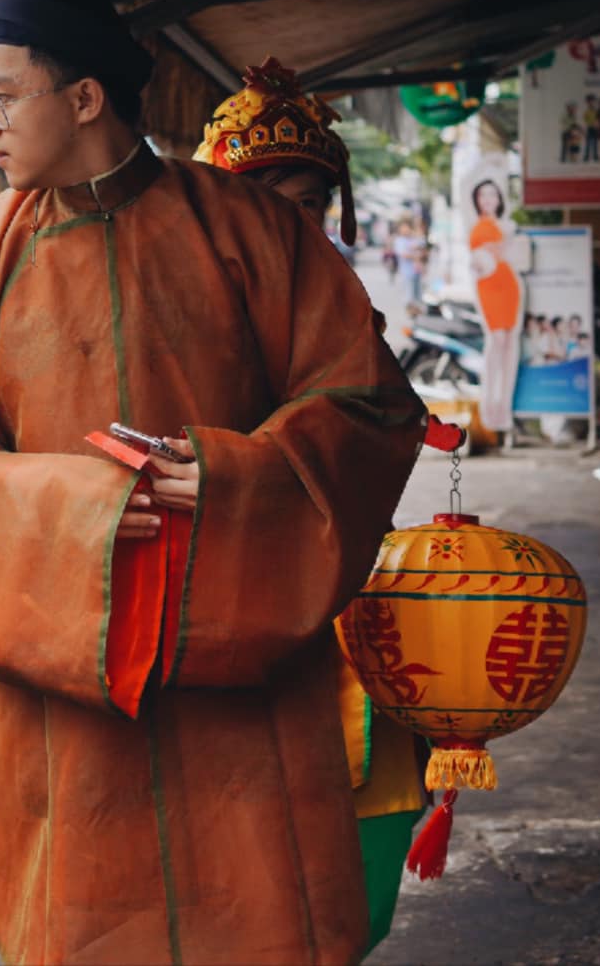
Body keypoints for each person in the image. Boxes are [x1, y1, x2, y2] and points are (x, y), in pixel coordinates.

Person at [0, 0, 427, 964]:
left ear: (82, 98)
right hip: (58, 686)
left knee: (252, 917)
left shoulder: (249, 232)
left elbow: (369, 405)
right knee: (73, 922)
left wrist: (234, 475)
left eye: (2, 92)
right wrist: (73, 507)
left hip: (238, 658)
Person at [194, 62, 432, 952]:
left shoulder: (344, 301)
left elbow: (385, 421)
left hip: (340, 583)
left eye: (311, 202)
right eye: (267, 198)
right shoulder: (171, 304)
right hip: (216, 603)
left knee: (349, 886)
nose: (295, 221)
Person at [468, 178, 523, 430]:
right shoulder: (478, 227)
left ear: (500, 199)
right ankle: (490, 405)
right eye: (483, 195)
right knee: (497, 341)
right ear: (477, 200)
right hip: (488, 286)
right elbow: (480, 257)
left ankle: (503, 407)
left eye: (493, 195)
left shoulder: (505, 225)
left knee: (509, 343)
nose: (488, 200)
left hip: (508, 284)